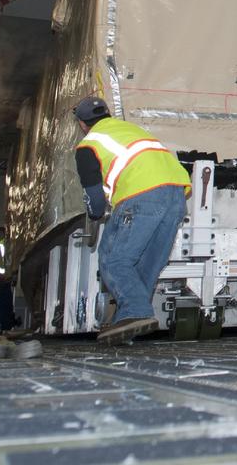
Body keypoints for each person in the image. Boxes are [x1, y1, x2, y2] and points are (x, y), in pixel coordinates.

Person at [73, 96, 191, 345]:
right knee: (148, 265)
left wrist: (95, 214)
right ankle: (129, 320)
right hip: (177, 196)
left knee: (114, 259)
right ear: (106, 114)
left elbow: (94, 198)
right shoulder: (130, 129)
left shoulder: (88, 145)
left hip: (142, 195)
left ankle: (136, 312)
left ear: (83, 124)